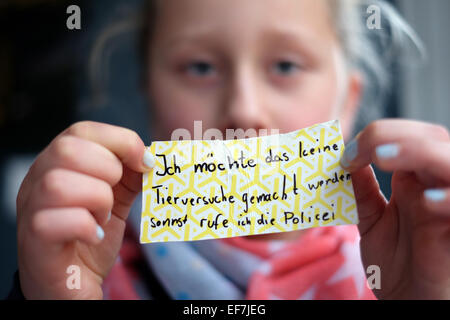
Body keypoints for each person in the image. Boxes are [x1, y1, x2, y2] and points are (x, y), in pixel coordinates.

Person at [11, 0, 450, 300]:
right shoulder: (88, 267)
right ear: (150, 94)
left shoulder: (402, 270)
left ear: (347, 102)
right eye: (200, 67)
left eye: (285, 65)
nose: (244, 110)